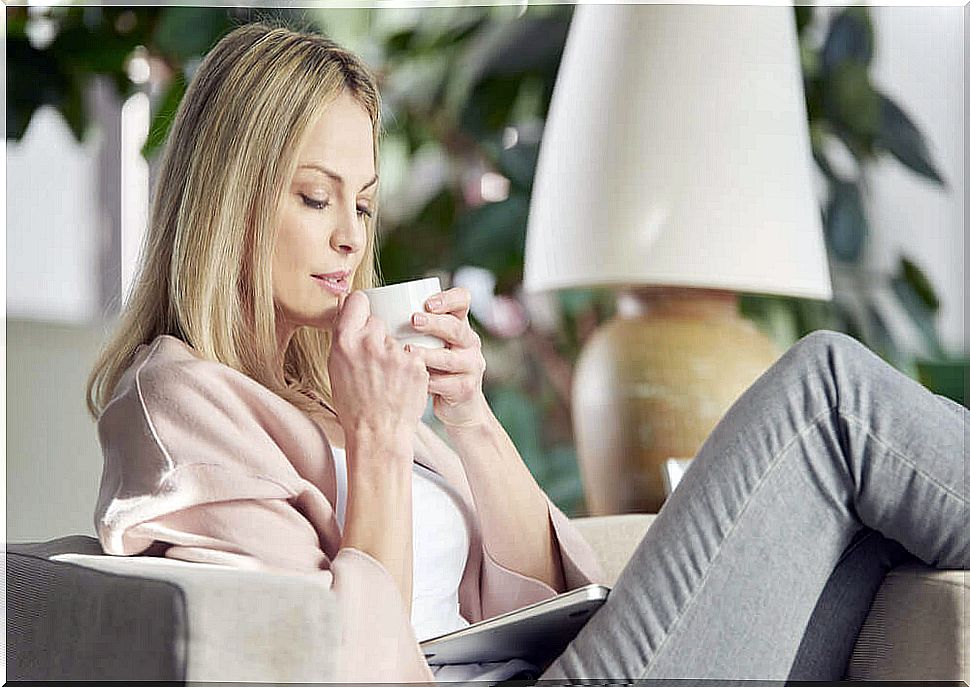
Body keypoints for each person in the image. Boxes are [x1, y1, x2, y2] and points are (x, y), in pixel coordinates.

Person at [85, 20, 968, 685]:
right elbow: (347, 664)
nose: (352, 237)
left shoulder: (332, 385)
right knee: (827, 395)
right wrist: (383, 440)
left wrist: (467, 421)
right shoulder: (176, 400)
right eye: (316, 197)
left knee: (862, 534)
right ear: (231, 200)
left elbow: (543, 601)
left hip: (552, 666)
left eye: (362, 204)